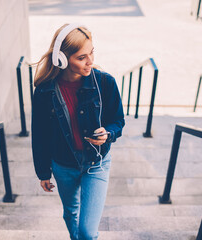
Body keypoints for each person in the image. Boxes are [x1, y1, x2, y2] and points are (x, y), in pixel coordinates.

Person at [31, 23, 125, 240]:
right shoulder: (44, 92)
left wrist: (108, 133)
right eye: (82, 57)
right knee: (70, 212)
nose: (90, 61)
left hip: (97, 163)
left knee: (87, 232)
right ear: (62, 60)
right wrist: (43, 172)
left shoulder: (105, 83)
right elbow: (40, 135)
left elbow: (118, 120)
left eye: (92, 52)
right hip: (63, 166)